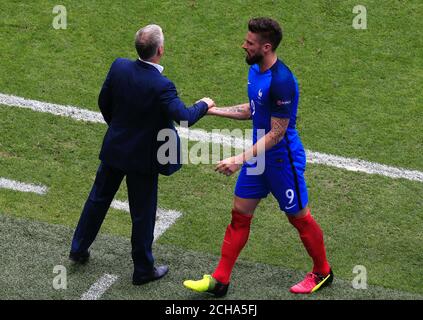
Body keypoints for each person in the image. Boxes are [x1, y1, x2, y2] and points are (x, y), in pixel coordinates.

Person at [183, 17, 333, 296]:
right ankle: (220, 280)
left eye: (249, 43)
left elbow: (277, 133)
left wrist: (239, 159)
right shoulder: (255, 71)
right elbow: (252, 110)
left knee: (299, 218)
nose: (243, 46)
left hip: (281, 162)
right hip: (258, 158)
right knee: (239, 215)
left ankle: (323, 271)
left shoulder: (281, 82)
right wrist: (212, 111)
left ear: (266, 47)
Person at [69, 24, 214, 285]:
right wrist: (204, 104)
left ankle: (78, 248)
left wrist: (118, 129)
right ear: (160, 50)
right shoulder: (162, 85)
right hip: (143, 160)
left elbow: (104, 102)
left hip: (115, 149)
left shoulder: (119, 67)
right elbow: (184, 117)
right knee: (142, 214)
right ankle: (143, 269)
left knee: (97, 200)